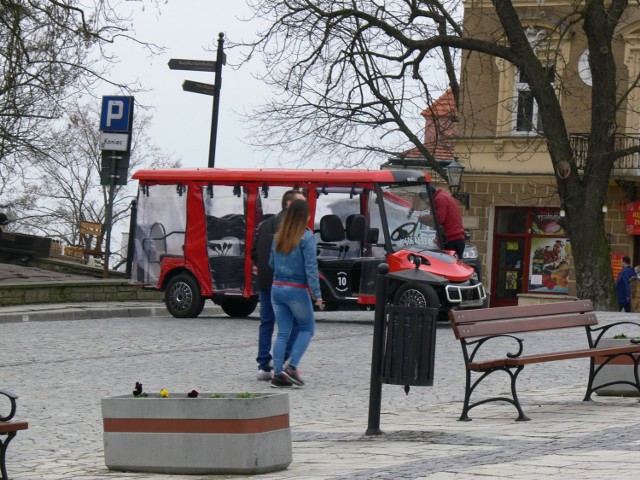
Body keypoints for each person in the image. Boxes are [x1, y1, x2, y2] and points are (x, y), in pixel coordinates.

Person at [251, 190, 305, 381]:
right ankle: (280, 359)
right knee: (297, 322)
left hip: (266, 280)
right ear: (289, 204)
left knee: (266, 322)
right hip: (285, 282)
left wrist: (264, 270)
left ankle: (263, 365)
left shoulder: (265, 224)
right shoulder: (291, 226)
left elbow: (253, 251)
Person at [269, 199, 323, 388]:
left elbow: (271, 263)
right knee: (307, 328)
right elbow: (311, 268)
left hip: (276, 288)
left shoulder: (278, 236)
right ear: (304, 216)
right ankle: (291, 367)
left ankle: (277, 374)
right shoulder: (306, 238)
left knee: (283, 332)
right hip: (296, 289)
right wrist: (317, 295)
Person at [429, 184, 466, 258]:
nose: (427, 203)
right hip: (457, 238)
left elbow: (438, 219)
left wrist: (422, 218)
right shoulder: (444, 196)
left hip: (450, 240)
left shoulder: (439, 199)